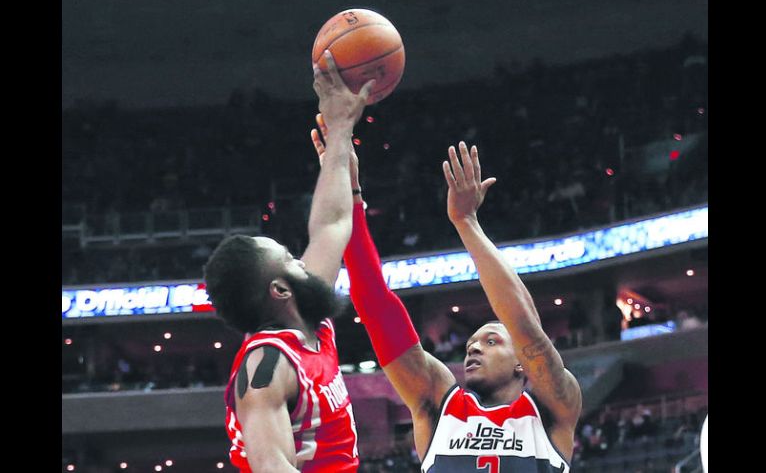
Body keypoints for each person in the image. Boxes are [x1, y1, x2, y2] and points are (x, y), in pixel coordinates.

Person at [313, 135, 582, 471]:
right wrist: (350, 193)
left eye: (492, 340)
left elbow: (524, 324)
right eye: (472, 344)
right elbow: (376, 305)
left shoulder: (552, 407)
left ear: (521, 363)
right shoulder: (439, 402)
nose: (474, 349)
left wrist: (466, 223)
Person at [203, 51, 375, 473]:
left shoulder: (307, 320)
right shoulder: (267, 365)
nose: (303, 260)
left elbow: (333, 224)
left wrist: (339, 129)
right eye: (290, 259)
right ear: (280, 292)